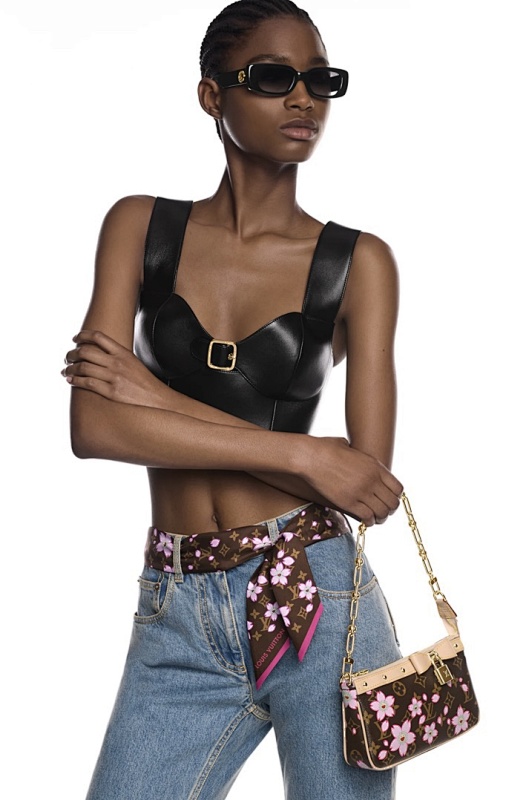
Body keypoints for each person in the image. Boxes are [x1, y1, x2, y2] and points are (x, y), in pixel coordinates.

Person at [62, 1, 404, 797]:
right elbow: (94, 424)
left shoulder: (360, 264)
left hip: (314, 595)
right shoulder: (139, 227)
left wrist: (152, 394)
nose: (303, 99)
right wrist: (303, 454)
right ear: (212, 95)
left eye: (319, 80)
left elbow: (362, 482)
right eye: (273, 77)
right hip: (176, 608)